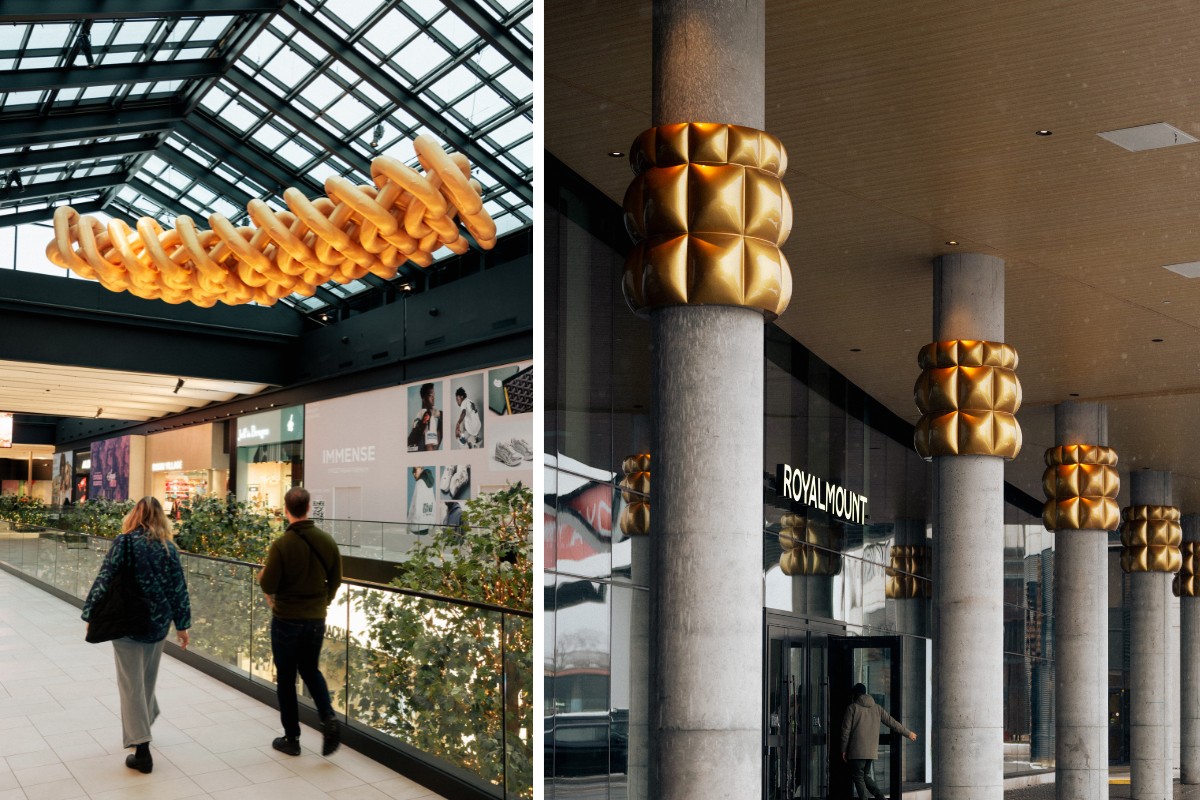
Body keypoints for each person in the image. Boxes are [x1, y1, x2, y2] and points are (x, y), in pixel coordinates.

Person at [82, 496, 191, 775]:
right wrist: (182, 625)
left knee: (131, 684)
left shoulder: (125, 542)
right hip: (157, 625)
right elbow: (178, 589)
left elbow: (104, 577)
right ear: (160, 518)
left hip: (127, 621)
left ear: (135, 515)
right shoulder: (168, 548)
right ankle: (146, 717)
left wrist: (91, 612)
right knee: (145, 679)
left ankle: (142, 750)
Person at [258, 486, 343, 757]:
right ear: (308, 508)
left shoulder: (282, 545)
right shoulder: (327, 541)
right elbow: (336, 579)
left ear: (286, 510)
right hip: (316, 619)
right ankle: (328, 719)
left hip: (286, 620)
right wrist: (323, 601)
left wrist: (262, 578)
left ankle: (292, 739)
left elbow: (269, 583)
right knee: (311, 670)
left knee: (286, 678)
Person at [841, 683, 917, 800]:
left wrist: (843, 749)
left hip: (856, 751)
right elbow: (892, 723)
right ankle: (881, 797)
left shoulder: (852, 708)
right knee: (865, 775)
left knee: (858, 777)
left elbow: (845, 731)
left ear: (855, 694)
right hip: (871, 751)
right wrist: (908, 733)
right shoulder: (877, 708)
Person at [407, 382, 443, 452]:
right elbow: (430, 448)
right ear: (423, 398)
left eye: (434, 395)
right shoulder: (429, 417)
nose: (433, 398)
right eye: (430, 395)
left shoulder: (418, 415)